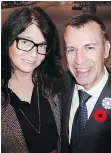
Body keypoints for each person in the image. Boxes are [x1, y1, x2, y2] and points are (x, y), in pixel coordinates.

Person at [1, 7, 63, 153]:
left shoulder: (54, 84)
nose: (34, 54)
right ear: (8, 40)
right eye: (25, 42)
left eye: (42, 45)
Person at [62, 13, 111, 153]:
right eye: (71, 49)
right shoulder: (60, 86)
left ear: (106, 49)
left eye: (89, 48)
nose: (79, 60)